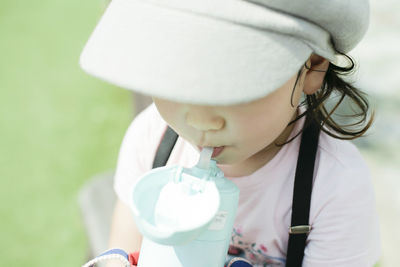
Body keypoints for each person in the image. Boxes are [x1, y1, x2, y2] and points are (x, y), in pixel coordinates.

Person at [79, 0, 381, 266]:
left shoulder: (335, 186)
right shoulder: (152, 138)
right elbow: (126, 248)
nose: (201, 119)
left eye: (234, 86)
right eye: (173, 76)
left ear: (312, 67)